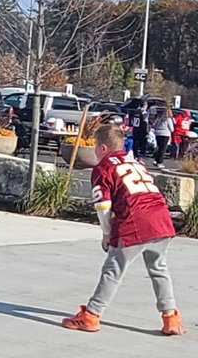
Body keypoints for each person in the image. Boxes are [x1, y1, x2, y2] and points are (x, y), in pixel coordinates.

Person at [61, 124, 184, 336]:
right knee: (159, 268)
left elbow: (103, 206)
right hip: (161, 220)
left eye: (95, 146)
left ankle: (91, 315)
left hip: (134, 223)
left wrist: (107, 233)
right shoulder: (136, 162)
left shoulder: (103, 168)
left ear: (103, 148)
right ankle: (170, 317)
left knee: (113, 270)